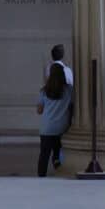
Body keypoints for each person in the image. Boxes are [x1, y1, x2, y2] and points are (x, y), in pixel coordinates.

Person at [36, 48, 74, 176]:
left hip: (46, 128)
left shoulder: (44, 91)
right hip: (61, 128)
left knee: (44, 156)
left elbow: (39, 111)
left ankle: (41, 178)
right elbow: (72, 106)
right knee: (58, 155)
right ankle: (59, 174)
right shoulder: (69, 90)